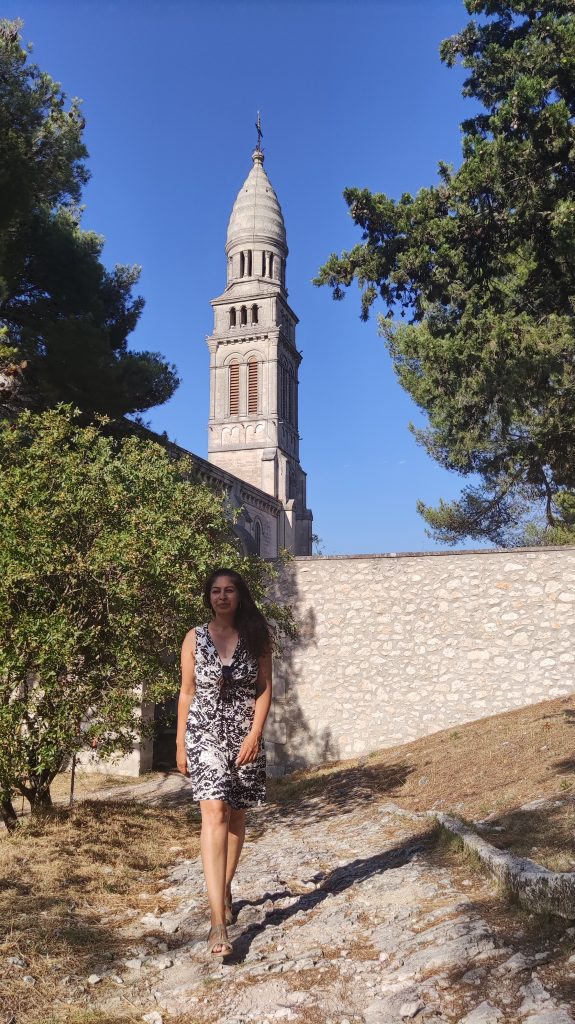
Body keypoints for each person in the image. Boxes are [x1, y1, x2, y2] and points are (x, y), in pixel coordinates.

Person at [176, 567, 272, 957]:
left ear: (239, 595)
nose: (222, 596)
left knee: (234, 814)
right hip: (205, 732)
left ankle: (226, 885)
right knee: (214, 810)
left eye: (229, 590)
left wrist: (255, 734)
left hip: (243, 734)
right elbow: (186, 692)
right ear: (208, 597)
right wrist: (181, 741)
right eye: (215, 591)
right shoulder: (194, 638)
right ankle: (217, 922)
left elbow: (265, 689)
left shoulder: (257, 636)